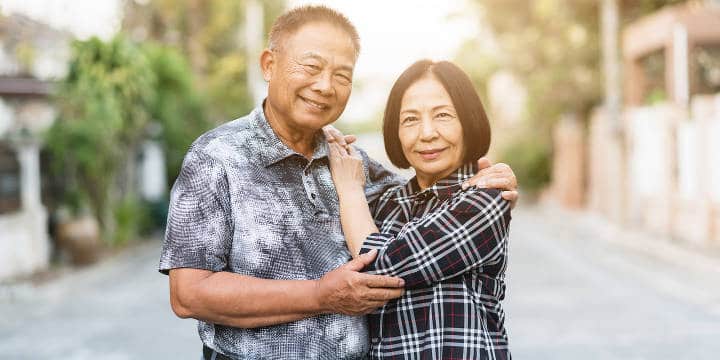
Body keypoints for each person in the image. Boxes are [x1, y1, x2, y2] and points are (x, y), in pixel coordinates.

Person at [159, 5, 519, 359]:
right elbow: (189, 294)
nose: (325, 86)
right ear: (269, 65)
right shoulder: (217, 158)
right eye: (312, 67)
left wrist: (489, 182)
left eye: (342, 75)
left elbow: (428, 198)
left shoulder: (353, 165)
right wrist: (319, 295)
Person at [328, 60, 512, 359]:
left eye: (442, 115)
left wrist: (350, 191)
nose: (427, 133)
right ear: (395, 131)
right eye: (410, 120)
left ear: (469, 121)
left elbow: (379, 269)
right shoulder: (385, 203)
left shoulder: (486, 198)